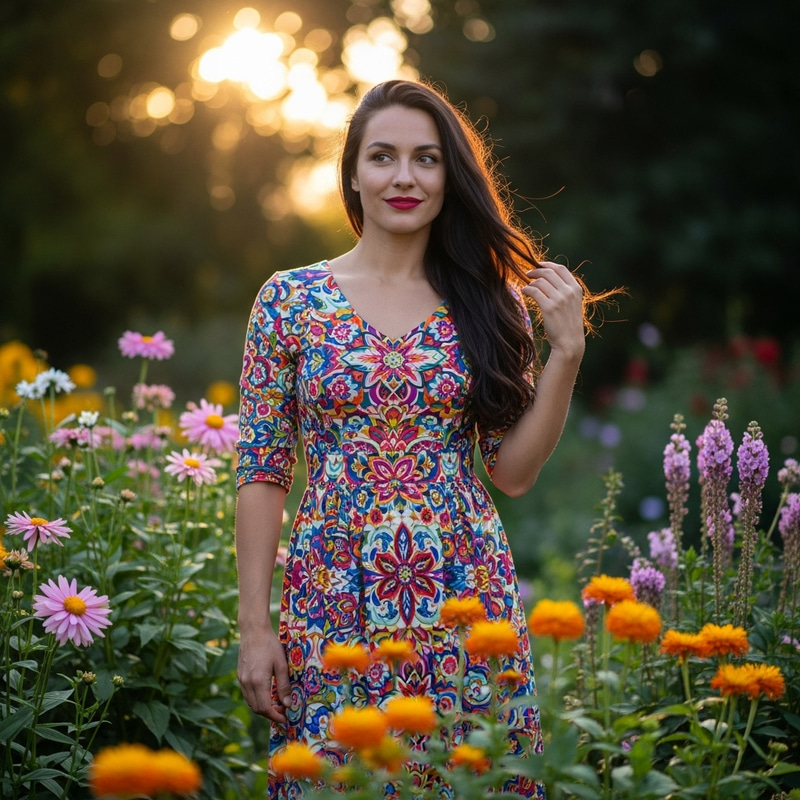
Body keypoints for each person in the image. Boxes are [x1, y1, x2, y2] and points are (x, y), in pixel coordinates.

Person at [235, 79, 604, 798]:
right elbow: (263, 469)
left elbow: (513, 472)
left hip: (464, 590)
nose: (403, 177)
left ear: (448, 176)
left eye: (426, 159)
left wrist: (567, 355)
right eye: (382, 156)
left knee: (468, 775)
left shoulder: (489, 301)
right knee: (339, 779)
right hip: (332, 591)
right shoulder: (288, 299)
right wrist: (255, 628)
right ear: (352, 173)